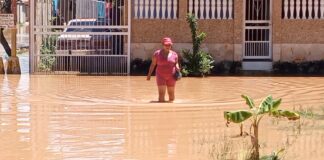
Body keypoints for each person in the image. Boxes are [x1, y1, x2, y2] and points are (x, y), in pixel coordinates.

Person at [147, 37, 180, 102]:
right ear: (163, 44)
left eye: (169, 45)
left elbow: (176, 63)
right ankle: (162, 110)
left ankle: (171, 110)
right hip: (160, 76)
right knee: (161, 95)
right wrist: (149, 75)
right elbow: (153, 64)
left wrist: (177, 66)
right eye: (166, 45)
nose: (168, 46)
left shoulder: (174, 54)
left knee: (171, 95)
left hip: (172, 76)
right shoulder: (157, 54)